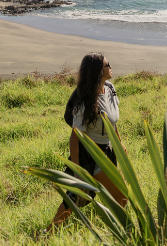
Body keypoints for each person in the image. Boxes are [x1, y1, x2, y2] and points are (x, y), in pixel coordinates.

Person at [51, 52, 127, 227]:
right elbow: (75, 136)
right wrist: (78, 170)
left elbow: (112, 123)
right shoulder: (85, 101)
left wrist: (119, 143)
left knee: (80, 198)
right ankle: (114, 230)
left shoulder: (110, 89)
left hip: (108, 151)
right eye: (108, 65)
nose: (111, 67)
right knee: (120, 197)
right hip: (92, 155)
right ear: (98, 71)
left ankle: (50, 231)